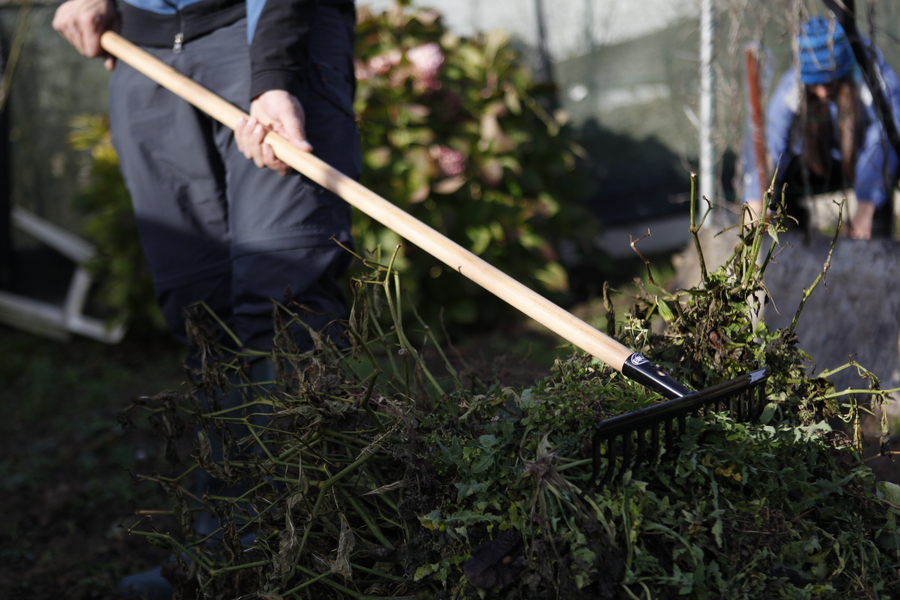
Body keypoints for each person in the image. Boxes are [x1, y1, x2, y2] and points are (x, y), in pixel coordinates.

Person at [52, 0, 360, 597]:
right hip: (144, 44)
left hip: (268, 29)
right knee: (200, 314)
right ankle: (225, 556)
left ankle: (311, 554)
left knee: (283, 302)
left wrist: (273, 75)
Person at [742, 15, 900, 239]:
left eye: (829, 83)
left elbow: (883, 139)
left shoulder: (874, 78)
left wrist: (866, 203)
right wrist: (756, 199)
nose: (823, 92)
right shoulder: (792, 87)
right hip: (820, 162)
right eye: (815, 84)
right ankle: (792, 242)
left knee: (888, 164)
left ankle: (875, 241)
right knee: (780, 177)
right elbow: (772, 139)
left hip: (864, 162)